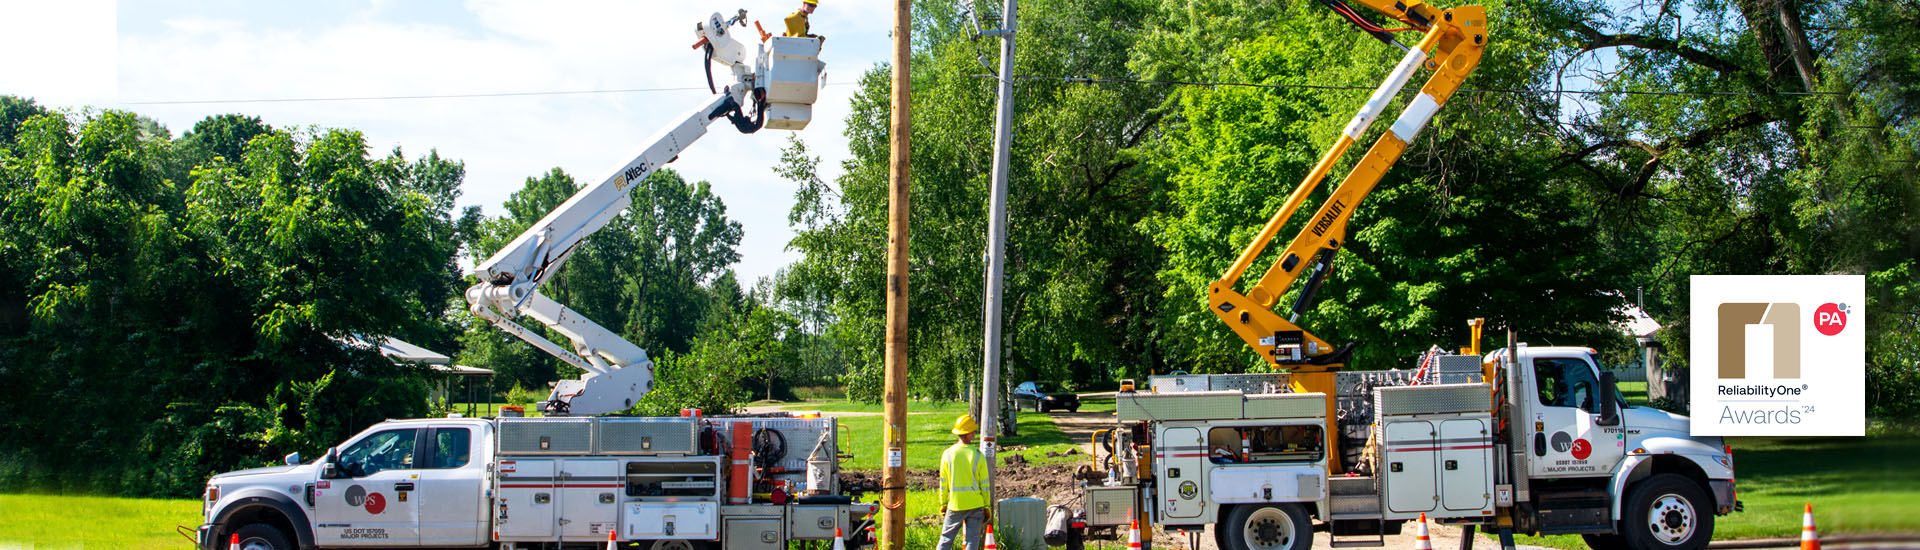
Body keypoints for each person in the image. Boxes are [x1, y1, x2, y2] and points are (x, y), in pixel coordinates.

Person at [937, 414, 991, 550]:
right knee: (972, 541)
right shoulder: (978, 456)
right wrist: (986, 506)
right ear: (968, 434)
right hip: (976, 505)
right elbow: (984, 484)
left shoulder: (947, 454)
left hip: (955, 504)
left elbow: (943, 483)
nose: (974, 433)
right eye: (973, 431)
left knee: (946, 539)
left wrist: (943, 503)